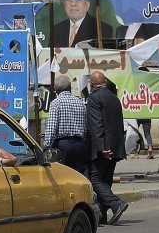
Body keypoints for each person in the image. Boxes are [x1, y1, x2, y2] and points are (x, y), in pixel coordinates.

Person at [86, 71, 128, 225]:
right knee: (106, 180)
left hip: (104, 148)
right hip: (116, 146)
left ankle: (116, 204)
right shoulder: (114, 98)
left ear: (91, 84)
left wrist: (101, 147)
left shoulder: (94, 98)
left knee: (94, 179)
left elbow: (96, 124)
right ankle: (101, 214)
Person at [44, 75, 88, 175]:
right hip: (79, 144)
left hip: (62, 145)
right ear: (70, 87)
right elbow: (85, 127)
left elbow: (52, 127)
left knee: (63, 175)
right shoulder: (80, 102)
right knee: (78, 175)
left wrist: (46, 146)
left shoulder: (56, 103)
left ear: (55, 89)